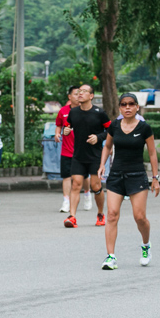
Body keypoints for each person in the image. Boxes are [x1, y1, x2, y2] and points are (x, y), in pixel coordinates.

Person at [98, 93, 160, 269]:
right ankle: (110, 256)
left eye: (131, 104)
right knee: (111, 215)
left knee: (139, 217)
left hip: (137, 176)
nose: (127, 107)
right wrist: (102, 164)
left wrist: (155, 178)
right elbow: (108, 146)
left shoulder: (144, 128)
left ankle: (146, 245)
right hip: (116, 175)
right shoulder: (114, 126)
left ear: (137, 107)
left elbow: (153, 153)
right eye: (124, 104)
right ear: (119, 108)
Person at [64, 84, 109, 228]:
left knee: (96, 186)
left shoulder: (99, 113)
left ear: (91, 96)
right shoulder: (74, 112)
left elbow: (110, 131)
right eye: (79, 92)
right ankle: (72, 217)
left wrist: (99, 137)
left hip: (95, 156)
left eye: (84, 91)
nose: (80, 94)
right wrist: (65, 130)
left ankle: (101, 214)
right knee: (76, 183)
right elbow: (68, 126)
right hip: (78, 155)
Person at [55, 86, 92, 213]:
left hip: (82, 150)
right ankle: (66, 201)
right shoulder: (63, 111)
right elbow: (59, 125)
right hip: (67, 150)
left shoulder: (86, 111)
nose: (79, 95)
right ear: (70, 97)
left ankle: (87, 194)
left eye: (80, 93)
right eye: (76, 93)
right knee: (66, 176)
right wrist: (57, 133)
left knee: (84, 177)